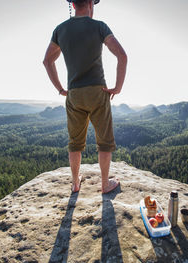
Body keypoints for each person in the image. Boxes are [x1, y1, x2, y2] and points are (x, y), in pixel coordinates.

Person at [43, 0, 127, 194]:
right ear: (90, 3)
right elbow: (122, 55)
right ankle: (105, 184)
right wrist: (118, 87)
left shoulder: (60, 30)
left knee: (75, 142)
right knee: (104, 142)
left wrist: (60, 89)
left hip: (74, 93)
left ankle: (75, 183)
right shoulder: (99, 26)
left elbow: (47, 61)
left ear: (72, 3)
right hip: (98, 91)